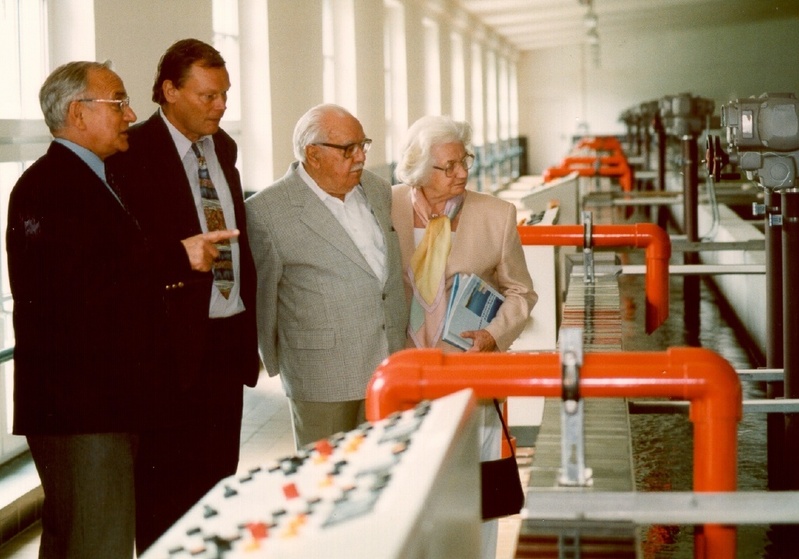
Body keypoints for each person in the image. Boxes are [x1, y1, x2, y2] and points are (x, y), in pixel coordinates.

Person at [106, 39, 260, 552]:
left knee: (219, 484)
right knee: (165, 494)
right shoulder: (131, 154)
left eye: (225, 95)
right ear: (170, 91)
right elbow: (128, 257)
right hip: (167, 355)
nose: (220, 107)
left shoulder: (224, 149)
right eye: (208, 96)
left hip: (226, 341)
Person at [6, 61, 162, 558]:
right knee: (99, 542)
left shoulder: (93, 178)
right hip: (82, 407)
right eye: (118, 103)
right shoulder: (52, 187)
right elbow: (79, 299)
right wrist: (173, 261)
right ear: (78, 112)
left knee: (77, 537)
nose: (131, 114)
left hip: (99, 401)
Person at [391, 115, 537, 559]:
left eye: (464, 161)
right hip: (404, 370)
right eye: (448, 166)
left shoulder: (496, 215)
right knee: (413, 485)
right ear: (417, 169)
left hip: (470, 368)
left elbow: (521, 291)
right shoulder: (386, 207)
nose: (461, 173)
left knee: (474, 488)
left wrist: (493, 334)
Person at [246, 104, 407, 448]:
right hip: (321, 374)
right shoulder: (267, 211)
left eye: (364, 144)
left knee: (381, 473)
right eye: (349, 148)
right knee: (327, 480)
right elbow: (263, 297)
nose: (361, 156)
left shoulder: (377, 190)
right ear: (313, 155)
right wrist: (278, 365)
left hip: (387, 362)